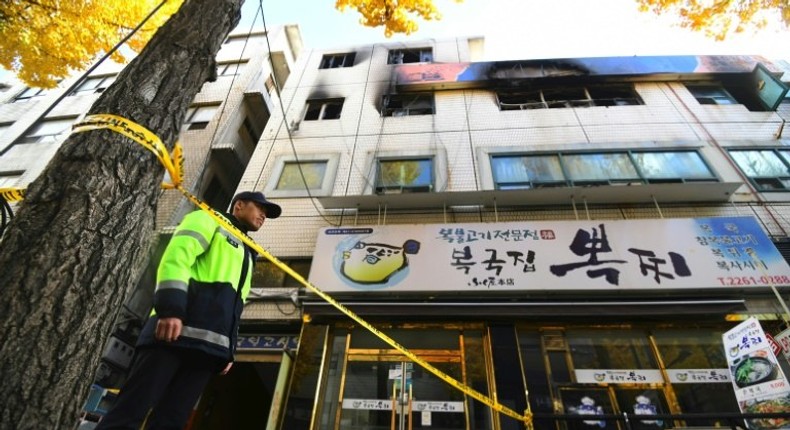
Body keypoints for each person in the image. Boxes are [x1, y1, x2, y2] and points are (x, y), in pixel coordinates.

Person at [96, 191, 281, 430]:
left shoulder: (247, 250)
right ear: (239, 205)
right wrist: (170, 310)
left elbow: (236, 305)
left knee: (171, 421)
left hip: (208, 349)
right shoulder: (207, 219)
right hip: (172, 333)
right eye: (260, 209)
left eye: (267, 214)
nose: (263, 216)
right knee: (130, 411)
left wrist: (229, 350)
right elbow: (176, 258)